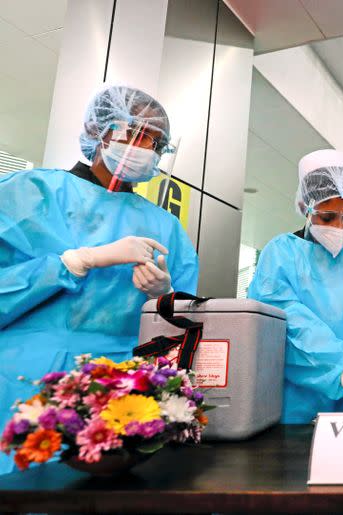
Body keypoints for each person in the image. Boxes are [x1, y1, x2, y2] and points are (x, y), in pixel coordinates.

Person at [0, 85, 198, 473]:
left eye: (155, 142)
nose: (143, 147)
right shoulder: (30, 193)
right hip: (22, 382)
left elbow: (184, 327)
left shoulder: (166, 228)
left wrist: (165, 297)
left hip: (120, 396)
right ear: (100, 130)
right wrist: (75, 261)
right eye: (134, 133)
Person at [248, 149, 343, 423]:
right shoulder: (280, 254)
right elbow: (291, 325)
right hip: (294, 401)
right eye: (327, 218)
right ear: (305, 208)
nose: (339, 227)